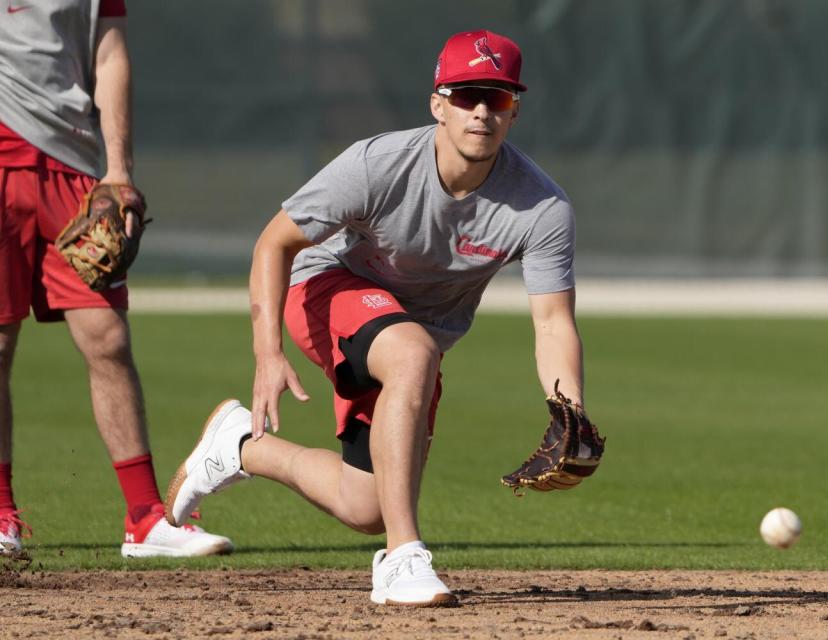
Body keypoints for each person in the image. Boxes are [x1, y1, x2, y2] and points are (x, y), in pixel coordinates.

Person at [165, 29, 587, 604]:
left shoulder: (541, 207)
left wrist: (570, 411)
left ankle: (238, 446)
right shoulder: (379, 164)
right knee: (412, 353)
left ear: (516, 110)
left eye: (499, 97)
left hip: (410, 339)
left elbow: (553, 323)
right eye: (466, 96)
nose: (482, 111)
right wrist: (268, 355)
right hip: (323, 288)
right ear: (438, 104)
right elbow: (273, 244)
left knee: (364, 503)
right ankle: (402, 558)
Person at [0, 0, 232, 557]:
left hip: (73, 168)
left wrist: (120, 169)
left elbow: (110, 55)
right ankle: (1, 515)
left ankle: (145, 519)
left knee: (108, 339)